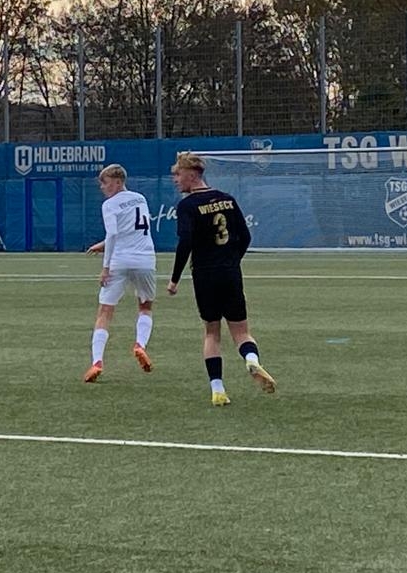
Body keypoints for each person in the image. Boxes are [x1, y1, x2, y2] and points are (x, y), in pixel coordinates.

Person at [166, 152, 276, 406]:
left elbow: (185, 242)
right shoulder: (227, 199)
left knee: (212, 333)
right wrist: (232, 261)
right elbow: (245, 236)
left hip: (205, 274)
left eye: (178, 174)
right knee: (242, 332)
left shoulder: (188, 206)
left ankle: (218, 390)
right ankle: (251, 360)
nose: (175, 179)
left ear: (191, 175)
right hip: (230, 272)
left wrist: (174, 279)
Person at [82, 164, 156, 383]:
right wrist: (103, 244)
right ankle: (140, 345)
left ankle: (97, 362)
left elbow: (114, 233)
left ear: (117, 181)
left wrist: (105, 267)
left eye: (104, 183)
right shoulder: (140, 198)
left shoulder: (110, 204)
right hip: (145, 259)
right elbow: (131, 230)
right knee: (145, 306)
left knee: (105, 312)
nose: (102, 187)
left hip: (120, 260)